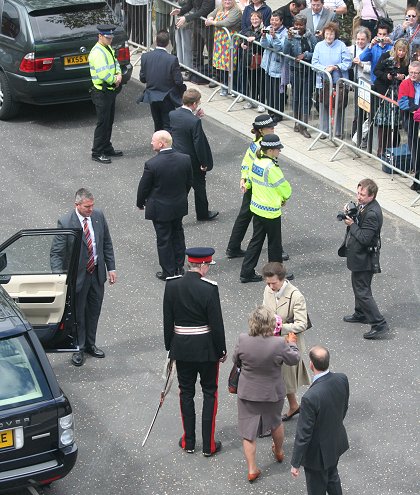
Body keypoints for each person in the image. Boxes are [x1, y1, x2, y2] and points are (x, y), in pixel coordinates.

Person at [163, 247, 227, 456]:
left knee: (186, 393)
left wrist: (170, 347)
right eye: (208, 265)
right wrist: (221, 350)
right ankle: (208, 445)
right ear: (203, 265)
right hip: (207, 349)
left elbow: (167, 320)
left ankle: (189, 441)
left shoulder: (172, 286)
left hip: (182, 348)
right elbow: (216, 324)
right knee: (210, 393)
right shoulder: (209, 289)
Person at [232, 305, 300, 482]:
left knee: (248, 432)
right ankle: (278, 451)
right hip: (272, 392)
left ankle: (252, 468)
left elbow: (235, 360)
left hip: (248, 392)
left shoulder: (243, 339)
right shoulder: (278, 343)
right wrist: (292, 344)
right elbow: (294, 359)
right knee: (276, 422)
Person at [50, 188, 116, 366]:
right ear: (77, 205)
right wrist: (59, 277)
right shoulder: (66, 222)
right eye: (87, 206)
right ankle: (78, 347)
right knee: (78, 313)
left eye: (92, 205)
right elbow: (56, 253)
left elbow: (106, 243)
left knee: (94, 310)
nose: (91, 209)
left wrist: (111, 268)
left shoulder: (98, 216)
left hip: (96, 273)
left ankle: (90, 344)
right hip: (77, 277)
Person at [290, 346, 350, 495]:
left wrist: (295, 463)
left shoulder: (310, 398)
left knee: (316, 488)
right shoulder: (341, 379)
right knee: (332, 477)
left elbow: (304, 434)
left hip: (317, 455)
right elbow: (344, 407)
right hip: (335, 442)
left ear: (311, 364)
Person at [136, 131, 193, 281]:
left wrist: (140, 202)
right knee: (178, 235)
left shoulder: (152, 164)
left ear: (161, 144)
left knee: (164, 239)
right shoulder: (185, 159)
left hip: (160, 209)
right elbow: (188, 182)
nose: (151, 143)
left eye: (153, 141)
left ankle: (168, 271)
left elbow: (144, 187)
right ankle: (179, 267)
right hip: (178, 205)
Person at [338, 178, 390, 339]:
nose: (359, 197)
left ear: (372, 196)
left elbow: (365, 238)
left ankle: (379, 323)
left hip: (365, 258)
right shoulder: (365, 206)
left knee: (362, 291)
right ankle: (360, 313)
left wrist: (351, 224)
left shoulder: (373, 213)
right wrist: (351, 212)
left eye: (362, 194)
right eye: (358, 193)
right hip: (360, 256)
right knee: (359, 287)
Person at [239, 134, 292, 283]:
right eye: (278, 149)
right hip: (270, 212)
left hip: (256, 208)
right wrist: (284, 198)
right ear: (270, 150)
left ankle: (246, 272)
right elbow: (285, 188)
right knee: (274, 245)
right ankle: (276, 275)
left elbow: (249, 179)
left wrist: (246, 185)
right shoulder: (271, 167)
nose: (279, 151)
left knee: (256, 241)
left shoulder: (257, 161)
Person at [262, 262, 310, 422]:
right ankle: (294, 405)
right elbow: (264, 311)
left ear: (282, 279)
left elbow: (302, 324)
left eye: (273, 283)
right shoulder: (268, 290)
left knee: (280, 381)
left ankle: (272, 419)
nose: (270, 286)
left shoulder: (296, 296)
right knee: (280, 379)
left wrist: (279, 327)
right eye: (267, 283)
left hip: (287, 343)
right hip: (271, 341)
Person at [226, 114, 277, 258]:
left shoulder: (258, 142)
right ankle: (276, 251)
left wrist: (243, 177)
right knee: (267, 219)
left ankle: (233, 247)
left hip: (252, 184)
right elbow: (251, 163)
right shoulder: (262, 145)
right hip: (257, 187)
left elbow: (246, 162)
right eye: (270, 127)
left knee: (245, 216)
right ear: (261, 130)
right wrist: (245, 179)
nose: (273, 129)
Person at [169, 88, 219, 221]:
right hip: (192, 161)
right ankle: (202, 214)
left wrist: (195, 115)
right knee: (199, 188)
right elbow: (199, 144)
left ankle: (174, 214)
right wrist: (204, 163)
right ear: (195, 104)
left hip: (177, 157)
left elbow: (181, 129)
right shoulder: (194, 122)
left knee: (181, 189)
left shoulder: (173, 115)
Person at [138, 30, 186, 132]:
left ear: (156, 40)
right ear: (168, 43)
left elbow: (142, 78)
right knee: (168, 125)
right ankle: (166, 146)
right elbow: (178, 81)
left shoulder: (145, 57)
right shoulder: (172, 59)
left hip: (152, 96)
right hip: (167, 98)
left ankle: (159, 145)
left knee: (157, 124)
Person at [88, 24, 123, 164]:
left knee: (109, 121)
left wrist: (119, 73)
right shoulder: (97, 52)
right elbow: (103, 73)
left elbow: (115, 63)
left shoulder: (107, 47)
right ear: (100, 36)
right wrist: (115, 79)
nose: (110, 40)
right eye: (108, 38)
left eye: (111, 37)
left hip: (109, 91)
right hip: (101, 91)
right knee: (102, 123)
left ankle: (107, 147)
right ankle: (97, 152)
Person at [312, 22, 352, 139]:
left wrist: (336, 66)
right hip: (323, 81)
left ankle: (338, 132)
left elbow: (347, 63)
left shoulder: (341, 45)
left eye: (331, 34)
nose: (329, 36)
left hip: (338, 82)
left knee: (339, 106)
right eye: (327, 34)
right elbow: (314, 63)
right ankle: (324, 131)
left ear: (335, 35)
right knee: (323, 105)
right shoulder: (319, 45)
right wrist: (325, 69)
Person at [283, 14, 318, 138]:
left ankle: (304, 126)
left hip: (308, 71)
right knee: (296, 97)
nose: (298, 27)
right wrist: (289, 39)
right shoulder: (291, 37)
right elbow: (285, 51)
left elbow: (316, 53)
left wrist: (306, 55)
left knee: (306, 99)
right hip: (295, 71)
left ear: (305, 24)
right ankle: (297, 122)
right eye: (296, 24)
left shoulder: (311, 37)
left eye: (301, 24)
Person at [373, 39, 409, 157]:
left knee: (395, 123)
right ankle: (381, 150)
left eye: (403, 51)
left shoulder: (406, 62)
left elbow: (408, 75)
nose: (401, 53)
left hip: (398, 94)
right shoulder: (386, 56)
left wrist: (403, 77)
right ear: (395, 49)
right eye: (399, 50)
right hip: (386, 92)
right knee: (383, 122)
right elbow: (376, 71)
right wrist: (387, 76)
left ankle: (393, 150)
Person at [205, 0, 242, 96]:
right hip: (219, 42)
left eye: (230, 0)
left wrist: (212, 22)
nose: (227, 1)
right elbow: (210, 14)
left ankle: (234, 88)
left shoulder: (236, 11)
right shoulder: (220, 8)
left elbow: (226, 23)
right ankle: (224, 86)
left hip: (230, 42)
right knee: (221, 65)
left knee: (230, 65)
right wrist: (210, 18)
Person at [170, 0, 215, 75]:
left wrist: (186, 18)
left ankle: (212, 75)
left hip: (208, 27)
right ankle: (195, 73)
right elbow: (189, 5)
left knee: (211, 53)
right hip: (197, 25)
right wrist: (180, 11)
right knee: (196, 51)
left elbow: (203, 11)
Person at [260, 10, 288, 121]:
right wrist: (263, 37)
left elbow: (280, 48)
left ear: (281, 21)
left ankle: (278, 114)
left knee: (278, 92)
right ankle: (270, 111)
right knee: (269, 91)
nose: (274, 22)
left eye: (276, 20)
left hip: (278, 66)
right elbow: (264, 45)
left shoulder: (285, 32)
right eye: (272, 19)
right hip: (268, 64)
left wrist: (275, 37)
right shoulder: (268, 28)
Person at [398, 61, 420, 192]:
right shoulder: (405, 84)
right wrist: (417, 109)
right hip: (411, 121)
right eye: (411, 73)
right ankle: (417, 181)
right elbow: (403, 103)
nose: (413, 75)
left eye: (416, 73)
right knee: (416, 151)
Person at [239, 10, 264, 110]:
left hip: (260, 59)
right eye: (252, 19)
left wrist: (255, 38)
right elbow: (241, 37)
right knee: (251, 82)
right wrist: (242, 43)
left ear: (261, 20)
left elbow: (264, 37)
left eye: (256, 19)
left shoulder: (265, 29)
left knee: (260, 83)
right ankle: (252, 101)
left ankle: (261, 103)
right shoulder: (247, 29)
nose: (254, 21)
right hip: (248, 60)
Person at [358, 17, 393, 84]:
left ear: (388, 35)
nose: (382, 37)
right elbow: (362, 58)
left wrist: (391, 42)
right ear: (377, 34)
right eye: (380, 34)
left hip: (388, 81)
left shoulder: (391, 47)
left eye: (384, 34)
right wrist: (370, 46)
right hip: (375, 80)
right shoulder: (374, 48)